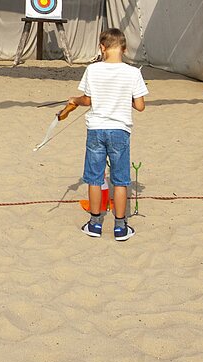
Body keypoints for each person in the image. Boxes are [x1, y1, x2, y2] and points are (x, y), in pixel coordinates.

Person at [64, 27, 149, 242]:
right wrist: (123, 99)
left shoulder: (93, 70)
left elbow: (88, 100)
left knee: (94, 178)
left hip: (96, 130)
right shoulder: (133, 72)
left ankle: (95, 224)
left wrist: (75, 100)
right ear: (124, 48)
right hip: (120, 131)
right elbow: (140, 106)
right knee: (120, 181)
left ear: (102, 48)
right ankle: (120, 228)